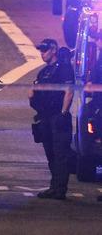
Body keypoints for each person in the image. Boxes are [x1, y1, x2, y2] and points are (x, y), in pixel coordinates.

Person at [29, 39, 74, 200]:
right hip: (45, 117)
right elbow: (34, 94)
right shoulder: (43, 72)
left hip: (58, 116)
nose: (42, 53)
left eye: (45, 50)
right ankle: (53, 187)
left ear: (54, 50)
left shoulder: (64, 69)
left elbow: (69, 92)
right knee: (50, 154)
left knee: (60, 154)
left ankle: (60, 189)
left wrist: (63, 113)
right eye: (41, 50)